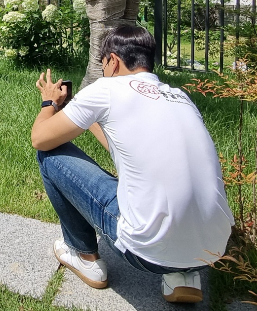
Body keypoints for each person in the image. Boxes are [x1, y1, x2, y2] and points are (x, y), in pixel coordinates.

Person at [30, 25, 233, 303]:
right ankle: (183, 274)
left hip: (144, 252)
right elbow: (120, 147)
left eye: (103, 65)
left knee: (51, 157)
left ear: (112, 61)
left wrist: (49, 104)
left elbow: (41, 139)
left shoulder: (106, 88)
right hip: (211, 250)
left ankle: (83, 255)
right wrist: (82, 116)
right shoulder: (179, 96)